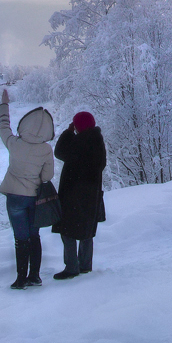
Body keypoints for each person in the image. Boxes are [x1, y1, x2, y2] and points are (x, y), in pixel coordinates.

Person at [0, 87, 54, 289]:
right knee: (34, 236)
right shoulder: (46, 149)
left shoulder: (15, 143)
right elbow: (47, 176)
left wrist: (4, 106)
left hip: (15, 198)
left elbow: (3, 127)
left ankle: (21, 279)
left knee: (20, 239)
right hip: (35, 198)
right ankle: (35, 276)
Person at [51, 110, 106, 280]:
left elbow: (59, 152)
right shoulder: (98, 142)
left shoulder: (79, 142)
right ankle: (85, 265)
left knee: (67, 231)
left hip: (74, 194)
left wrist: (68, 133)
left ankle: (71, 267)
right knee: (87, 230)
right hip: (92, 195)